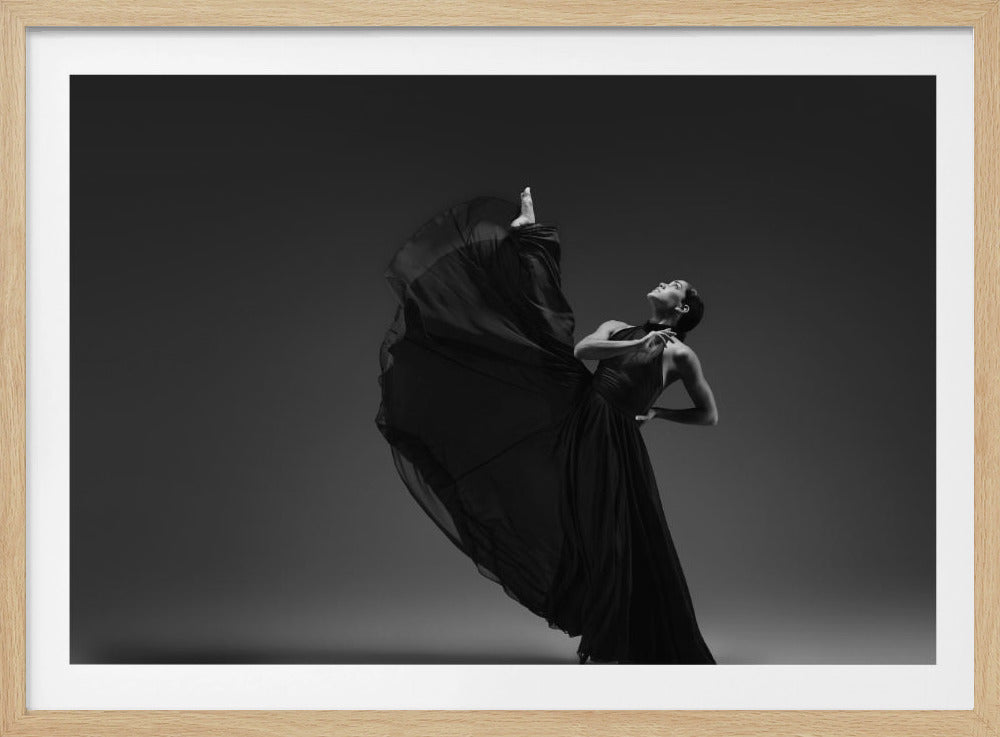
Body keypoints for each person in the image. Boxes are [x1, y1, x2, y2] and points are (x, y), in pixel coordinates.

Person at [376, 187, 717, 664]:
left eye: (673, 285)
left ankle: (616, 642)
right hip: (580, 417)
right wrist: (634, 345)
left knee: (613, 537)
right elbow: (584, 352)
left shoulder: (680, 354)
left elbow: (708, 415)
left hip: (614, 441)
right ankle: (529, 242)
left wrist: (658, 413)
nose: (665, 283)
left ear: (681, 310)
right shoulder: (620, 327)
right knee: (538, 340)